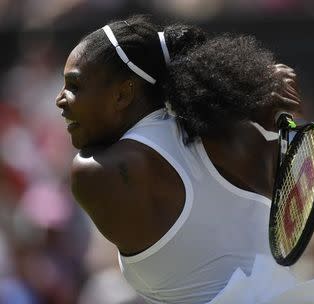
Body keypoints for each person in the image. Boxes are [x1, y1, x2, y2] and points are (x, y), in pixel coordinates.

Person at [55, 14, 301, 304]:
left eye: (74, 86)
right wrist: (249, 94)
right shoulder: (239, 136)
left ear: (123, 94)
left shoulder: (97, 173)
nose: (60, 99)